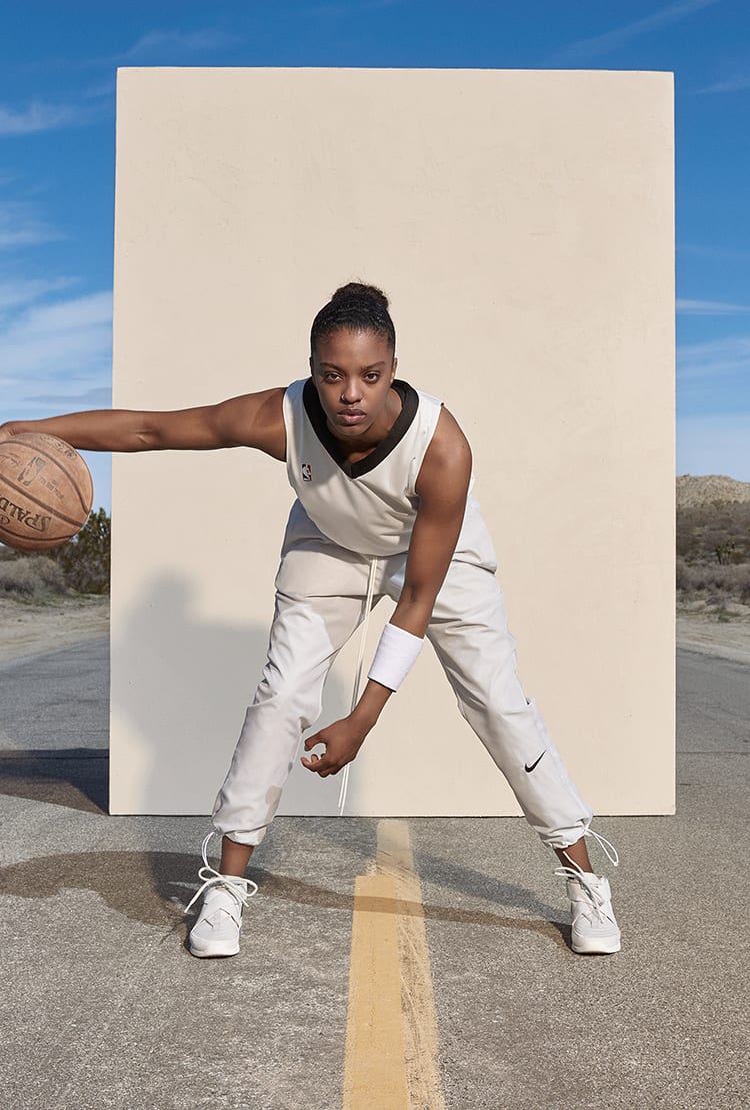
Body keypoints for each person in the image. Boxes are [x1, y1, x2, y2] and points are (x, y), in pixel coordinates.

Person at [0, 282, 620, 958]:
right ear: (312, 370)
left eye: (370, 375)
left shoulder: (442, 449)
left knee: (500, 706)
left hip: (428, 554)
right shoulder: (282, 417)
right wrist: (28, 433)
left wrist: (362, 716)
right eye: (333, 375)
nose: (351, 392)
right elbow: (154, 428)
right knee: (280, 698)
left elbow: (416, 599)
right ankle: (226, 887)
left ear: (393, 369)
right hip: (329, 544)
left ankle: (584, 878)